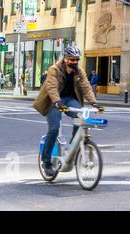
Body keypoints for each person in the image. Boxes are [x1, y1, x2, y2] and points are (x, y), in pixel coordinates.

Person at [32, 43, 100, 173]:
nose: (74, 62)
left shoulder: (80, 72)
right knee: (54, 128)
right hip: (54, 101)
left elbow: (86, 87)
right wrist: (57, 102)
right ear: (65, 58)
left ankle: (73, 148)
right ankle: (46, 162)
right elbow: (51, 87)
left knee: (81, 118)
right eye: (72, 59)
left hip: (70, 100)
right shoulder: (54, 69)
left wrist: (94, 102)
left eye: (76, 59)